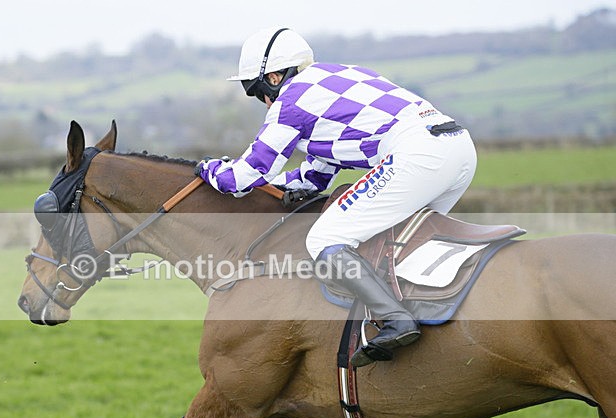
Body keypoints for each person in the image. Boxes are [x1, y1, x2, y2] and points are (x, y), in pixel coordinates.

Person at [196, 27, 477, 368]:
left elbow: (247, 175)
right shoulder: (337, 77)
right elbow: (315, 174)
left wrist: (209, 169)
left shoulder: (291, 101)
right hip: (459, 148)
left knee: (326, 238)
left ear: (272, 77)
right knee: (393, 240)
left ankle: (396, 320)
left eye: (257, 92)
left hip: (418, 156)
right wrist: (287, 187)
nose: (264, 102)